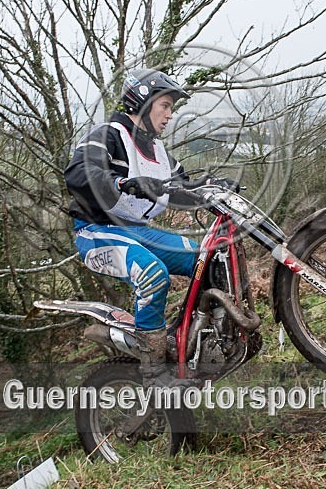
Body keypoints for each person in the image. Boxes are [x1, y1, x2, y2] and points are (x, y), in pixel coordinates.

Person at [64, 68, 230, 388]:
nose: (170, 115)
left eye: (171, 108)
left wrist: (215, 190)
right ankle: (153, 372)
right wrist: (122, 182)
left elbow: (184, 187)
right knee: (153, 274)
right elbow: (78, 174)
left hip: (138, 232)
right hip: (96, 231)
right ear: (143, 102)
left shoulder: (159, 152)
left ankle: (194, 341)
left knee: (209, 259)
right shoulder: (108, 135)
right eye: (165, 106)